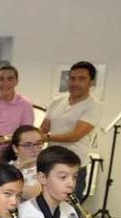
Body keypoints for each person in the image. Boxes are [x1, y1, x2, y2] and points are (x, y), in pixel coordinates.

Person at [40, 61, 102, 202]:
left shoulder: (94, 106)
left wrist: (46, 137)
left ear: (91, 82)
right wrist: (31, 136)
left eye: (81, 79)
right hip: (50, 164)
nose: (75, 83)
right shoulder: (57, 101)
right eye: (72, 78)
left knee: (69, 211)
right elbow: (44, 128)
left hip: (73, 168)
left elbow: (75, 136)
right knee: (46, 206)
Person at [0, 124, 44, 200]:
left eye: (38, 143)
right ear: (15, 148)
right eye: (27, 145)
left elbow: (38, 195)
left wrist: (8, 185)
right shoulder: (5, 168)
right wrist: (19, 168)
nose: (34, 149)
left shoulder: (47, 166)